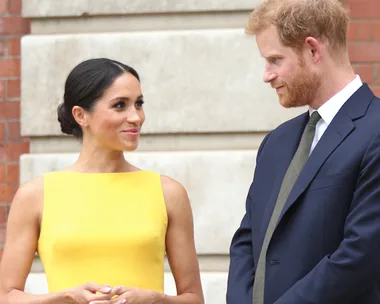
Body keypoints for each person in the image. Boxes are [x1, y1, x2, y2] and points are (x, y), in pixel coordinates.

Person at [0, 58, 204, 304]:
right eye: (120, 105)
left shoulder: (169, 193)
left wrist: (155, 299)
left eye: (138, 104)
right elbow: (6, 296)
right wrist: (64, 298)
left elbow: (193, 298)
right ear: (80, 115)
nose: (136, 117)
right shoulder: (35, 195)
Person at [227, 0, 380, 303]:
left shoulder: (375, 130)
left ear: (312, 50)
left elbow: (360, 255)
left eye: (274, 60)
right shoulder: (276, 142)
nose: (266, 75)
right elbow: (246, 241)